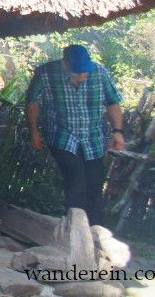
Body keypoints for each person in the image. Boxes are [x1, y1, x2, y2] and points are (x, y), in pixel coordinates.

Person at [25, 44, 125, 226]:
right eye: (77, 72)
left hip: (92, 138)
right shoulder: (45, 73)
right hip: (61, 136)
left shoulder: (100, 72)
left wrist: (117, 132)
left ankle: (95, 230)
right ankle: (74, 230)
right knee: (76, 180)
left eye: (85, 72)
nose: (82, 76)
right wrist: (34, 131)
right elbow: (31, 101)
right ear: (65, 64)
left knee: (94, 184)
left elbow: (113, 102)